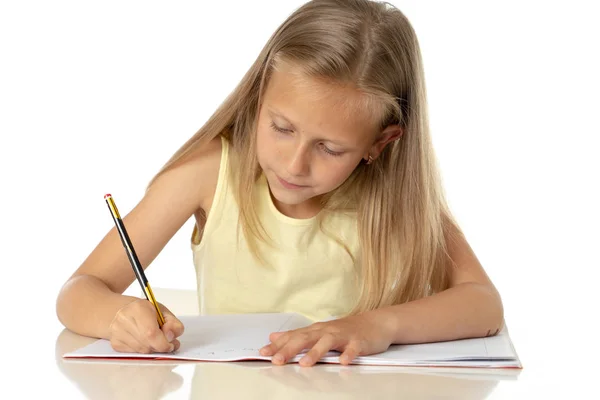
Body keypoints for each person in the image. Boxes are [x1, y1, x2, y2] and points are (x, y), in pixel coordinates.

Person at [56, 0, 504, 367]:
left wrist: (374, 326)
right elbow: (79, 290)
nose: (294, 164)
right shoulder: (208, 173)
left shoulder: (395, 197)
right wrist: (119, 316)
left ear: (381, 143)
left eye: (330, 149)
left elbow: (483, 304)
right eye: (282, 128)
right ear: (257, 99)